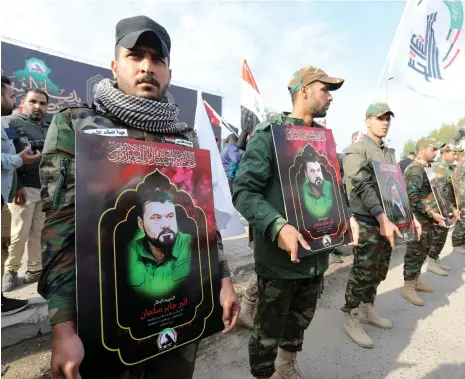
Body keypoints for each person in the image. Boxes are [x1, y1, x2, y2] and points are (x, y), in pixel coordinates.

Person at [38, 16, 239, 378]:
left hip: (179, 314)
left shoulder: (184, 137)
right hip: (106, 318)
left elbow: (204, 223)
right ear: (115, 67)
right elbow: (60, 232)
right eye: (135, 56)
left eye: (157, 59)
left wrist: (222, 279)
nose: (147, 66)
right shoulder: (78, 124)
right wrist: (63, 326)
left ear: (169, 73)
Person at [233, 65, 359, 379]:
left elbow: (332, 189)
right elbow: (244, 191)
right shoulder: (270, 135)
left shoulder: (322, 140)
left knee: (301, 318)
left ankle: (286, 365)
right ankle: (262, 373)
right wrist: (276, 225)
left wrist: (347, 218)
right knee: (269, 327)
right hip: (279, 261)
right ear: (303, 91)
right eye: (324, 89)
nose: (330, 97)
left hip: (316, 256)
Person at [342, 102, 421, 349]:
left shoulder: (388, 153)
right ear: (367, 121)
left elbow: (395, 187)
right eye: (379, 118)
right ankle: (351, 314)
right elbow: (361, 186)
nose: (385, 122)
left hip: (389, 221)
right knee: (363, 271)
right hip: (369, 221)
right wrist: (381, 218)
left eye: (388, 118)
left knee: (380, 270)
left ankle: (367, 308)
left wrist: (410, 216)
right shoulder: (356, 150)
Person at [1, 75, 41, 315]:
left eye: (43, 103)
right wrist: (17, 187)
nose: (38, 107)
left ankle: (34, 271)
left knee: (38, 234)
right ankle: (11, 271)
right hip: (23, 189)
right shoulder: (11, 123)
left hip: (44, 188)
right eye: (33, 102)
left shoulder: (47, 125)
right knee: (18, 235)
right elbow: (15, 158)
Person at [402, 138, 449, 306]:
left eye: (437, 150)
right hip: (418, 221)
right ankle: (408, 287)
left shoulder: (427, 168)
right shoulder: (415, 169)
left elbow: (436, 193)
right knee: (415, 252)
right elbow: (412, 197)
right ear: (422, 150)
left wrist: (445, 210)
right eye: (433, 149)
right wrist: (431, 213)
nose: (435, 152)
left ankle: (416, 280)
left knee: (423, 250)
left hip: (428, 220)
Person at [127, 191, 192, 296]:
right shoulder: (128, 252)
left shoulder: (192, 244)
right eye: (156, 218)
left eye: (170, 216)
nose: (165, 225)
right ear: (141, 224)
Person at [425, 143, 463, 275]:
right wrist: (450, 209)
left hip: (448, 208)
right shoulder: (439, 169)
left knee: (442, 235)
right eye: (453, 153)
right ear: (445, 153)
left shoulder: (448, 168)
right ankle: (431, 262)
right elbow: (441, 194)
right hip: (441, 209)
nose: (456, 156)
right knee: (438, 236)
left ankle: (435, 260)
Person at [452, 151, 465, 253]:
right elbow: (456, 183)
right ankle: (457, 244)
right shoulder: (459, 167)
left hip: (462, 195)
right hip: (461, 197)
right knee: (461, 219)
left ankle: (461, 241)